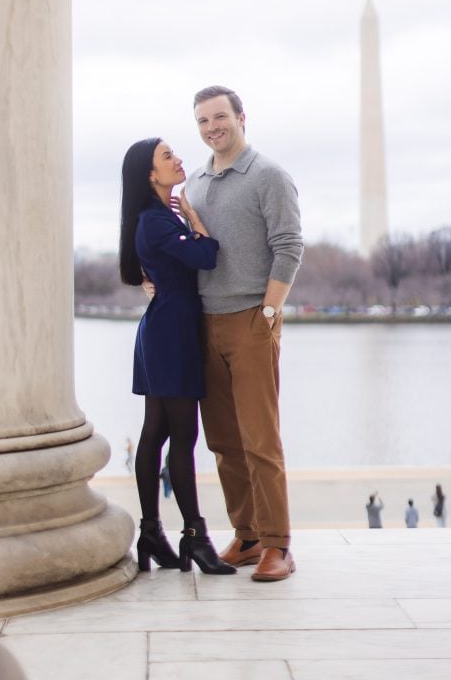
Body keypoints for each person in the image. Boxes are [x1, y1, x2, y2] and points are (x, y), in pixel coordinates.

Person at [185, 85, 303, 582]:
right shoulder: (193, 183)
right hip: (202, 324)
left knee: (260, 440)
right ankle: (248, 534)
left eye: (220, 117)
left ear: (240, 118)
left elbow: (289, 245)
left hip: (252, 321)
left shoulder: (269, 176)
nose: (213, 127)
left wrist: (269, 314)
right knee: (224, 442)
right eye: (203, 121)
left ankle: (279, 544)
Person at [119, 137, 235, 575]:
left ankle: (153, 532)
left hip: (167, 327)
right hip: (170, 333)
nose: (178, 159)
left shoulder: (157, 217)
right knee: (179, 437)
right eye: (167, 157)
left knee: (159, 432)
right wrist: (193, 217)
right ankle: (195, 538)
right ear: (150, 175)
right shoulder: (157, 220)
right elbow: (207, 255)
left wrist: (182, 216)